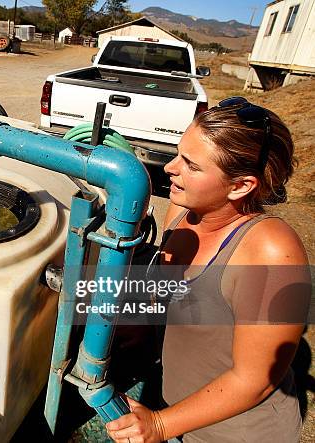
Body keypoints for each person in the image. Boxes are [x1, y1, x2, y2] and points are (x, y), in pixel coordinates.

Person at [105, 97, 311, 442]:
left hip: (235, 434)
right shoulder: (183, 212)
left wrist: (159, 425)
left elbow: (254, 379)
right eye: (178, 153)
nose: (170, 168)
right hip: (177, 408)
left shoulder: (271, 252)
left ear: (241, 186)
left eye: (192, 165)